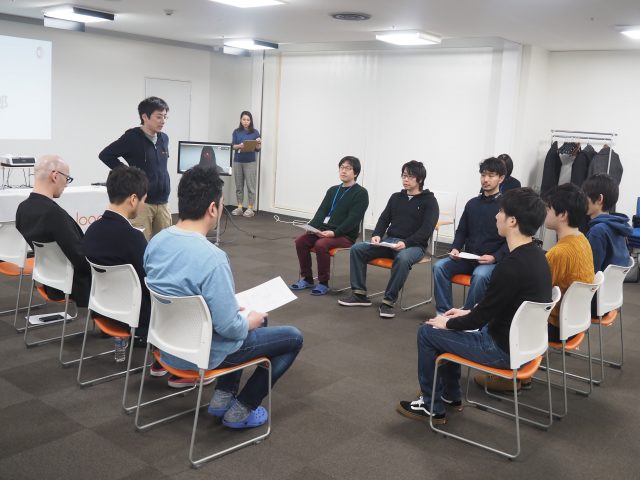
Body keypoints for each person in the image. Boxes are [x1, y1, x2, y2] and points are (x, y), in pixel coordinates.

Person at [144, 166, 303, 427]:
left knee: (251, 318)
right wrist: (248, 321)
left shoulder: (156, 242)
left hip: (166, 347)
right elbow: (230, 328)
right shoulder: (213, 258)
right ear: (212, 208)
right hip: (202, 353)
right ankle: (242, 409)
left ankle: (223, 396)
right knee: (292, 337)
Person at [397, 188, 552, 425]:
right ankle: (450, 395)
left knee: (427, 332)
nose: (496, 216)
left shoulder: (510, 266)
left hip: (500, 349)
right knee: (447, 326)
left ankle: (431, 406)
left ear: (512, 221)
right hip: (524, 345)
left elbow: (478, 320)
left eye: (501, 212)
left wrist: (448, 322)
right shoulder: (537, 256)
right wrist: (465, 312)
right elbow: (495, 307)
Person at [338, 161, 439, 318]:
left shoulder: (430, 201)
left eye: (410, 177)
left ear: (420, 179)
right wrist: (377, 234)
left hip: (414, 246)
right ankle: (359, 294)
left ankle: (388, 302)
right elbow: (384, 219)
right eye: (404, 176)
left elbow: (426, 230)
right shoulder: (396, 197)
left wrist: (406, 243)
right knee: (358, 249)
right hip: (390, 241)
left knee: (403, 259)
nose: (405, 180)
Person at [82, 166, 151, 343]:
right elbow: (148, 281)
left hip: (101, 310)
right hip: (134, 318)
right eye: (144, 200)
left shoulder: (91, 230)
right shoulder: (133, 237)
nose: (143, 205)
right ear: (133, 199)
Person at [433, 157, 508, 314]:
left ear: (501, 178)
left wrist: (494, 257)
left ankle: (468, 318)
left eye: (491, 175)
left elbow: (511, 240)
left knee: (480, 275)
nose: (485, 179)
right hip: (469, 258)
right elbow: (462, 231)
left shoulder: (506, 206)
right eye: (483, 175)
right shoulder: (472, 203)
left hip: (491, 262)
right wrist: (455, 248)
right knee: (439, 267)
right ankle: (444, 313)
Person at [15, 155, 91, 307]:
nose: (67, 184)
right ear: (55, 176)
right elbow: (81, 259)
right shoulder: (54, 215)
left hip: (48, 280)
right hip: (73, 285)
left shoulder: (22, 209)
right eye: (67, 178)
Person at [290, 156, 369, 296]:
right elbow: (322, 211)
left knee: (321, 244)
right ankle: (307, 278)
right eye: (342, 167)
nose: (343, 171)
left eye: (348, 168)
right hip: (324, 231)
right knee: (301, 241)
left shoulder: (361, 193)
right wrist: (311, 227)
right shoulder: (333, 190)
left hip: (345, 235)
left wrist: (335, 233)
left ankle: (323, 283)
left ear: (356, 173)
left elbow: (353, 219)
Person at [99, 96, 171, 241]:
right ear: (145, 116)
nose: (163, 121)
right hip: (142, 203)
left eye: (165, 116)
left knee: (165, 244)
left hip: (163, 202)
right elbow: (105, 155)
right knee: (140, 243)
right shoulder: (132, 138)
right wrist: (128, 173)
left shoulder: (164, 138)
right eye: (159, 117)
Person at [582, 173, 632, 274]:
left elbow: (590, 272)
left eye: (585, 196)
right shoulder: (619, 226)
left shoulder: (597, 231)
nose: (582, 201)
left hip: (597, 283)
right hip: (613, 284)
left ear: (599, 199)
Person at [231, 110, 261, 217]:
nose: (246, 121)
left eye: (248, 120)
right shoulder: (236, 132)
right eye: (244, 119)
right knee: (239, 186)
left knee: (251, 186)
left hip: (250, 162)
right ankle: (239, 207)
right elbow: (233, 146)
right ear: (240, 120)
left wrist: (258, 144)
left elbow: (258, 149)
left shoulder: (255, 132)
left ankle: (250, 208)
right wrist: (240, 146)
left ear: (250, 121)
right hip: (238, 161)